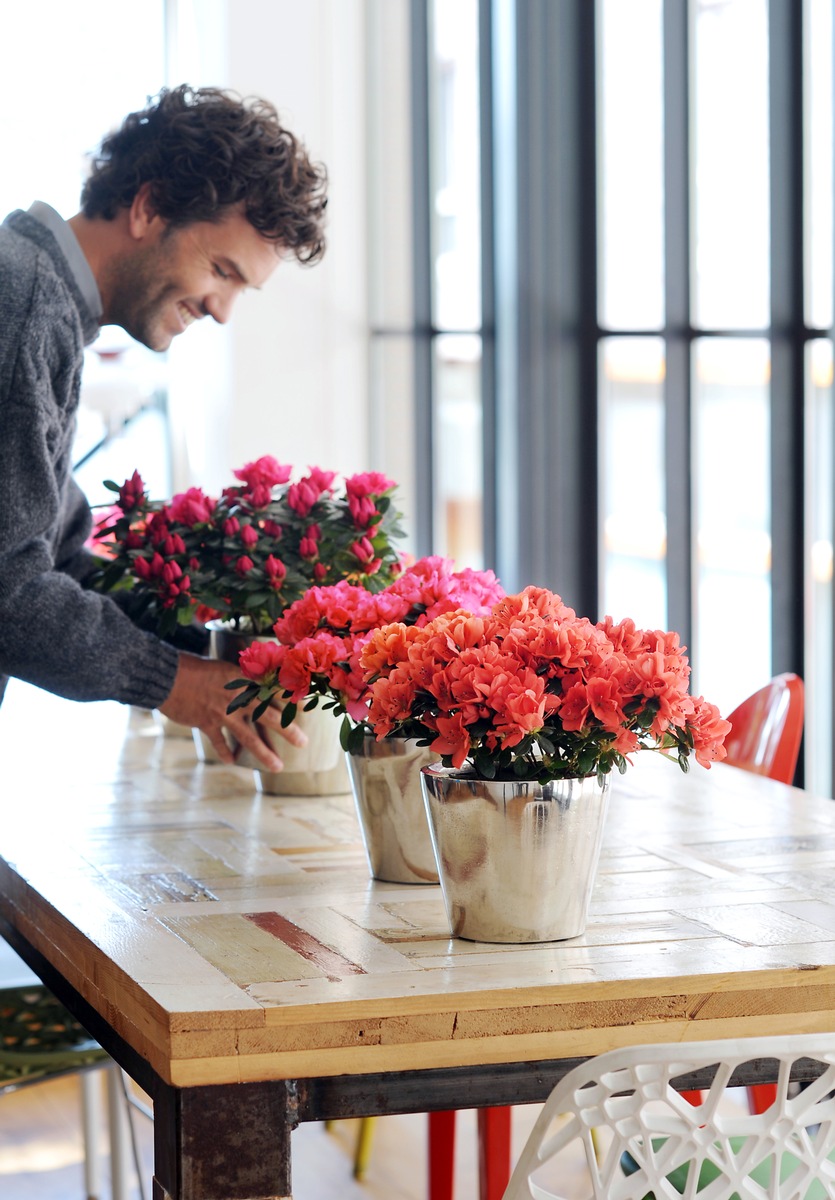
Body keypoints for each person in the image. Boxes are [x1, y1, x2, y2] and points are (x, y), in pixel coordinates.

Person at [0, 84, 328, 770]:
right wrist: (177, 684)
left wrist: (219, 639)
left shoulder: (38, 299)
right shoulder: (25, 308)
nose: (222, 310)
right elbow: (9, 590)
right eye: (221, 270)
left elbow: (52, 557)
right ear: (149, 209)